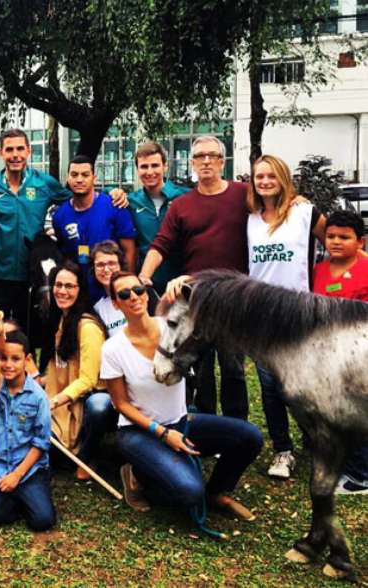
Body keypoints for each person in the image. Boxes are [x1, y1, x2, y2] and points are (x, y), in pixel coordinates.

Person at [101, 271, 263, 517]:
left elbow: (207, 303)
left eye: (138, 290)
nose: (133, 296)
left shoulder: (172, 326)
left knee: (250, 437)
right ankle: (136, 474)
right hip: (139, 431)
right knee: (188, 492)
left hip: (181, 421)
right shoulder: (113, 349)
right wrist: (163, 433)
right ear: (115, 303)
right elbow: (121, 403)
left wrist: (188, 280)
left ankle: (217, 491)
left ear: (146, 294)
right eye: (124, 294)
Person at [139, 135, 249, 420]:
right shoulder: (182, 204)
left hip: (234, 298)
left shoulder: (243, 194)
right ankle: (209, 425)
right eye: (200, 156)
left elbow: (275, 206)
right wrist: (144, 276)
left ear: (222, 162)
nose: (206, 161)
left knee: (233, 368)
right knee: (200, 368)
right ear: (192, 163)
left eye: (212, 155)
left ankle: (237, 427)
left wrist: (295, 199)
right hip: (197, 299)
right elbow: (161, 244)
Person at [246, 154, 326, 479]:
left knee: (301, 386)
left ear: (283, 178)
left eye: (271, 176)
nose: (264, 182)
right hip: (262, 318)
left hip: (299, 316)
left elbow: (336, 244)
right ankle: (283, 450)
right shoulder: (250, 218)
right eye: (259, 177)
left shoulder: (305, 213)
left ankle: (315, 437)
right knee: (269, 387)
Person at [0, 129, 72, 347]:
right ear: (1, 153)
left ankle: (27, 381)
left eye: (20, 148)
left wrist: (115, 195)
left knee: (27, 339)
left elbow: (76, 199)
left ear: (28, 151)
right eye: (9, 149)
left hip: (31, 278)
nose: (15, 154)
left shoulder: (44, 184)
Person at [0, 330, 56, 531]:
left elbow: (41, 442)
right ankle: (19, 499)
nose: (8, 364)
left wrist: (17, 476)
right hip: (1, 465)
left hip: (28, 468)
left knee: (43, 521)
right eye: (3, 358)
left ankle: (27, 492)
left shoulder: (38, 397)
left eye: (15, 359)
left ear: (26, 360)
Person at [43, 260, 114, 480]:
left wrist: (53, 402)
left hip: (84, 403)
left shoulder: (88, 327)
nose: (62, 291)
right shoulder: (62, 321)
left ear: (80, 290)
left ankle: (85, 455)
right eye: (58, 285)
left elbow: (87, 381)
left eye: (69, 286)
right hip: (62, 399)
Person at [313, 209, 368, 494]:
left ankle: (360, 476)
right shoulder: (319, 270)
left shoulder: (365, 270)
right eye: (331, 236)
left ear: (361, 242)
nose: (335, 241)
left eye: (344, 237)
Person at [51, 155, 136, 303]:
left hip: (110, 292)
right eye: (74, 175)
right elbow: (65, 255)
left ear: (94, 178)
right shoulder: (60, 216)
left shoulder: (114, 206)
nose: (79, 180)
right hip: (78, 295)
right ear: (68, 179)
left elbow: (129, 250)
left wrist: (125, 287)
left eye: (85, 175)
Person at [126, 142, 190, 295]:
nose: (150, 172)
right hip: (148, 285)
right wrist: (113, 191)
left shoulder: (184, 197)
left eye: (155, 165)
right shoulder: (131, 201)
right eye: (144, 167)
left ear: (165, 167)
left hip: (181, 284)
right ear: (137, 170)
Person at [90, 240, 128, 337]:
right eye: (100, 265)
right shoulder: (98, 309)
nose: (106, 269)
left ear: (121, 265)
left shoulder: (140, 293)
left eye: (112, 263)